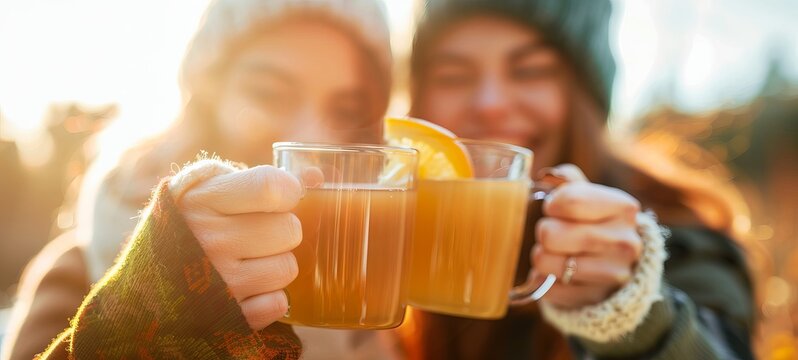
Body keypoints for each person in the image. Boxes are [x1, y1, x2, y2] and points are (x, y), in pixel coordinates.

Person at [1, 0, 393, 358]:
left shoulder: (382, 292)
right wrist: (152, 306)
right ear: (207, 98)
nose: (313, 137)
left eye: (346, 111)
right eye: (270, 94)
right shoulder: (84, 269)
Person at [400, 0, 754, 359]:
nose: (489, 103)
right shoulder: (388, 230)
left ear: (584, 93)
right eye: (452, 76)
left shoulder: (680, 242)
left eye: (530, 70)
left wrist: (633, 315)